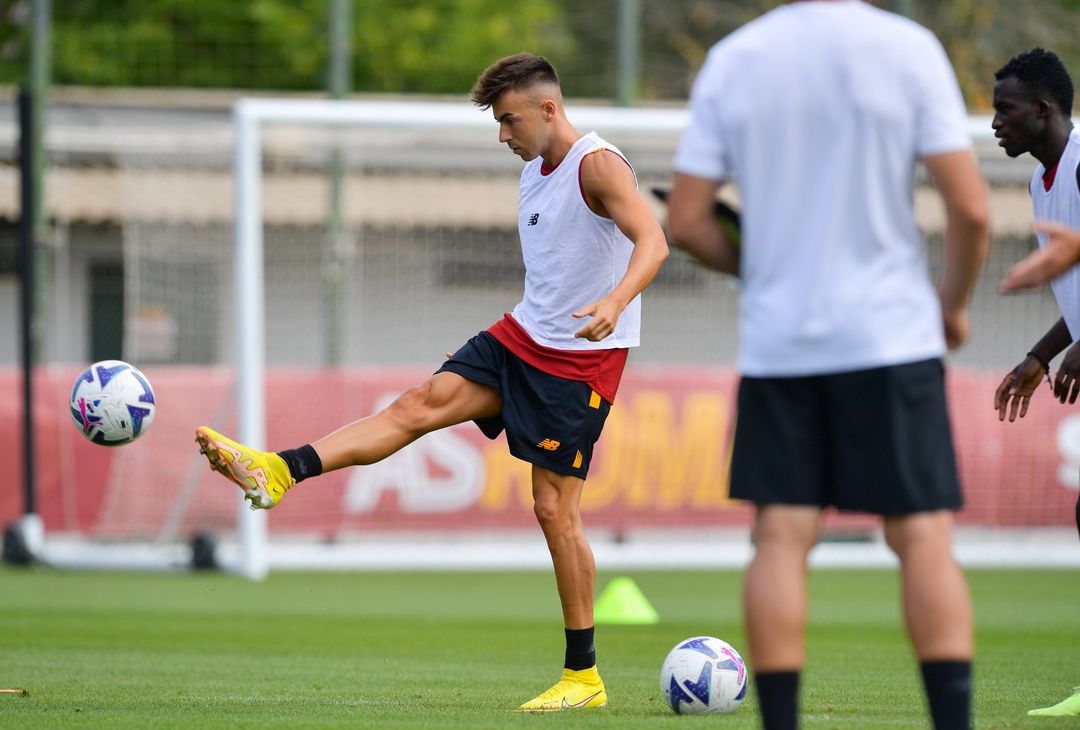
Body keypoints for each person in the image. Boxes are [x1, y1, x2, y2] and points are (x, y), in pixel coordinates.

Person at [194, 52, 668, 712]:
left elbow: (653, 240)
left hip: (578, 364)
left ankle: (583, 678)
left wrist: (615, 301)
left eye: (509, 121)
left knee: (554, 510)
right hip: (521, 338)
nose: (503, 136)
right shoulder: (535, 170)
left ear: (549, 109)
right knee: (418, 403)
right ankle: (279, 469)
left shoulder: (598, 164)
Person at [666, 2, 989, 729]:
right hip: (892, 338)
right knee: (922, 535)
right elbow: (970, 209)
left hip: (782, 345)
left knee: (780, 535)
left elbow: (685, 222)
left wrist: (762, 269)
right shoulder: (907, 47)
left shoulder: (735, 58)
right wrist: (953, 305)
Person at [991, 46, 1080, 719]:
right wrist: (1042, 354)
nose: (996, 123)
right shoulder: (1041, 183)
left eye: (1005, 110)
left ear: (1043, 110)